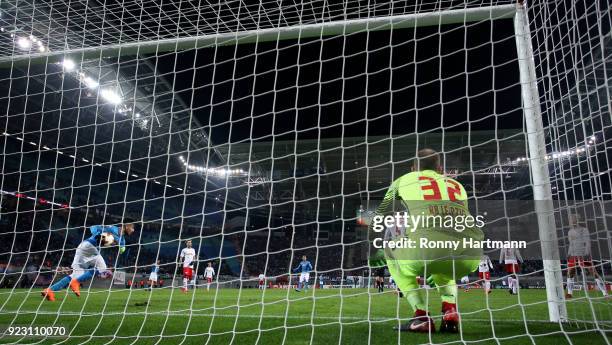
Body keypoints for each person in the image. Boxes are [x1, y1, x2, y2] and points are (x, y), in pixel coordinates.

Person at [370, 149, 483, 333]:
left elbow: (380, 213)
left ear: (413, 168)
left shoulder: (402, 180)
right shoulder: (457, 186)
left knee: (388, 250)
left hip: (427, 249)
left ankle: (421, 316)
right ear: (440, 168)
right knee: (444, 268)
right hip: (471, 254)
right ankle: (450, 311)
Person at [42, 223, 135, 301]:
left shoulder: (122, 239)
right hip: (89, 246)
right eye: (132, 227)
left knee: (75, 275)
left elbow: (122, 250)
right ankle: (76, 282)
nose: (133, 230)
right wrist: (100, 234)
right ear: (126, 226)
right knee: (102, 267)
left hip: (85, 250)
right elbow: (93, 228)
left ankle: (49, 290)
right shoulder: (111, 228)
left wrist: (118, 243)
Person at [566, 214, 608, 298]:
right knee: (570, 273)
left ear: (577, 220)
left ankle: (605, 293)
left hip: (583, 255)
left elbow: (588, 242)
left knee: (593, 272)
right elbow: (571, 244)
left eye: (573, 219)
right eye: (570, 220)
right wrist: (568, 253)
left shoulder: (584, 230)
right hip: (573, 255)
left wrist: (586, 253)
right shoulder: (570, 232)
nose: (571, 221)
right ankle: (569, 293)